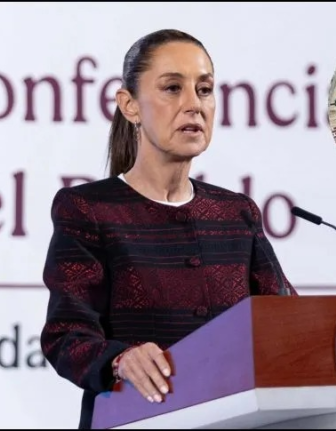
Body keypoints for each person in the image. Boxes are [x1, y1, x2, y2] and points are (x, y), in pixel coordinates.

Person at [39, 29, 297, 430]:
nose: (194, 104)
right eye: (173, 88)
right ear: (130, 106)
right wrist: (120, 360)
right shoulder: (89, 209)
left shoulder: (236, 213)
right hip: (134, 419)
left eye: (204, 90)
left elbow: (289, 324)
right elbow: (66, 335)